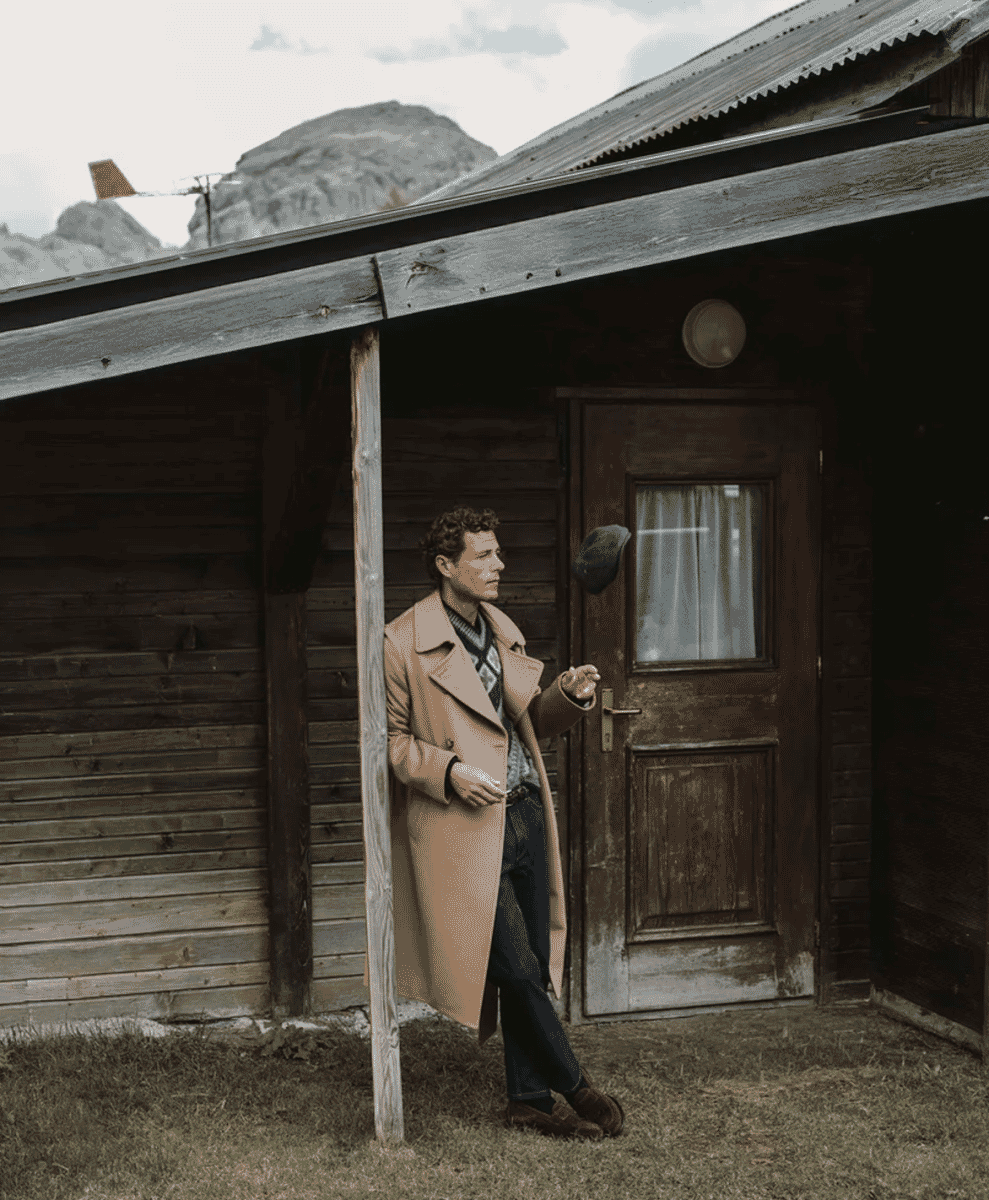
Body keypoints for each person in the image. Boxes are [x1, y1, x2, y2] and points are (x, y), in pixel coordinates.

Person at [382, 505, 625, 1140]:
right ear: (445, 566)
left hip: (524, 813)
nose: (499, 565)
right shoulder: (401, 642)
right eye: (484, 556)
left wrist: (567, 695)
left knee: (531, 964)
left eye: (498, 553)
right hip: (462, 827)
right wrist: (451, 772)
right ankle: (577, 1087)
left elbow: (526, 724)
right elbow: (392, 743)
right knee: (515, 966)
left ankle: (528, 1101)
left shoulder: (502, 629)